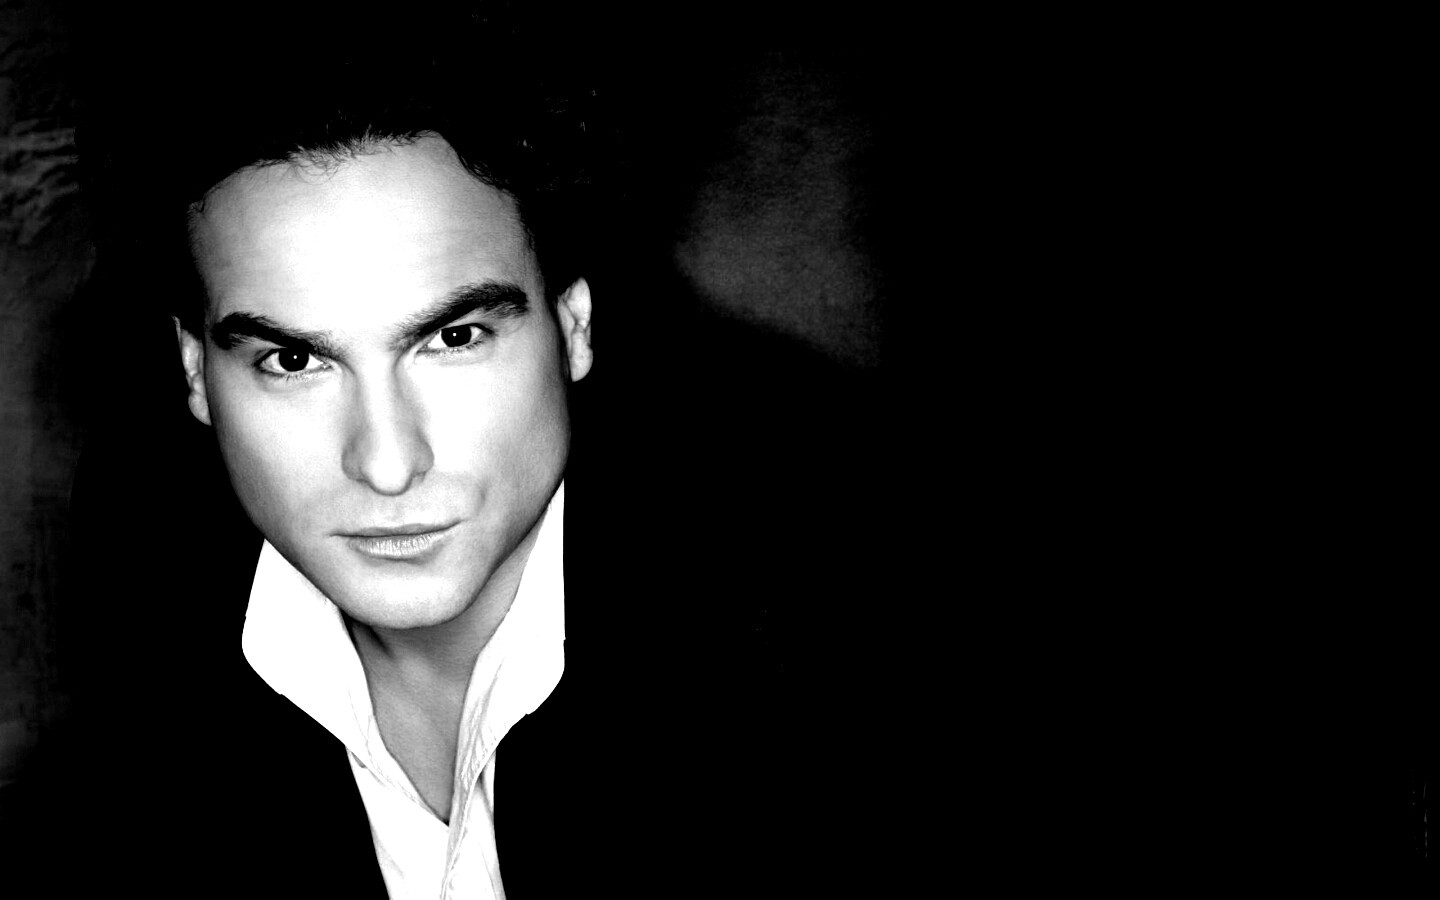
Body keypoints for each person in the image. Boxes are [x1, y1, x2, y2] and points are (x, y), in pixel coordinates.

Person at [1, 10, 888, 898]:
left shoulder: (819, 664)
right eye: (294, 362)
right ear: (196, 373)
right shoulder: (126, 750)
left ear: (574, 325)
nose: (387, 464)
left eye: (453, 337)